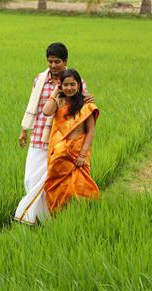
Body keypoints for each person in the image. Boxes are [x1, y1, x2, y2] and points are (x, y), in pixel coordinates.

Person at [14, 42, 90, 224]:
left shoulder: (73, 81)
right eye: (50, 62)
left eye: (57, 62)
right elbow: (34, 104)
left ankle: (39, 218)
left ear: (65, 62)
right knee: (30, 179)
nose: (53, 66)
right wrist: (24, 129)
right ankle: (38, 215)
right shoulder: (39, 79)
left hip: (60, 140)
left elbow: (82, 107)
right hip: (38, 135)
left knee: (52, 180)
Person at [42, 68, 99, 213]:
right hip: (60, 153)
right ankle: (59, 215)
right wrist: (55, 91)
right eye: (65, 85)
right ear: (61, 85)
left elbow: (91, 131)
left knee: (80, 186)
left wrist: (82, 155)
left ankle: (83, 214)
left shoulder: (86, 104)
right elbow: (46, 111)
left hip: (78, 152)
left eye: (72, 84)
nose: (69, 88)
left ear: (79, 85)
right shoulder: (59, 101)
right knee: (58, 187)